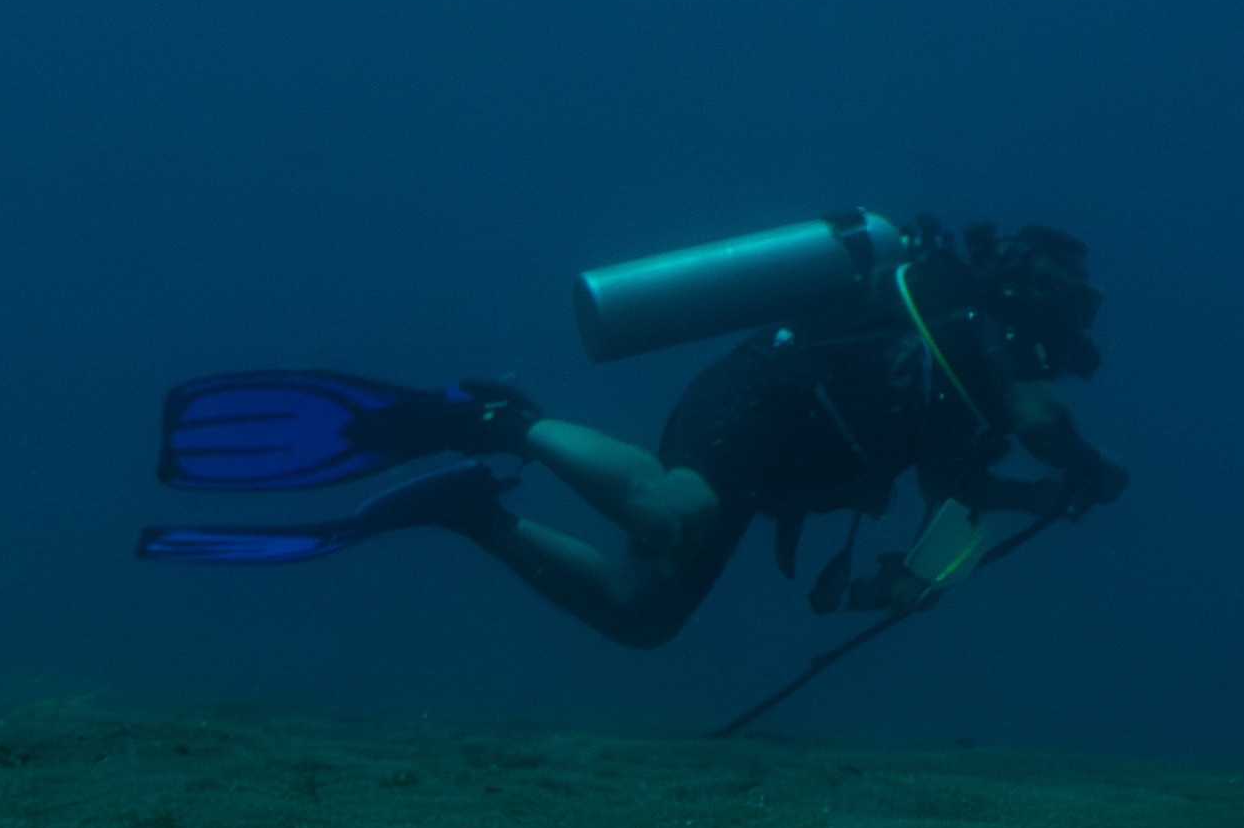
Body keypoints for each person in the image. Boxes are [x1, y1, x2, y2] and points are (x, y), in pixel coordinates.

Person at [141, 220, 1129, 648]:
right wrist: (1080, 464)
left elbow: (962, 488)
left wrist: (1048, 498)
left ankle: (471, 513)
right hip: (766, 402)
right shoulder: (973, 327)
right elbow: (1043, 419)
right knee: (665, 513)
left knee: (642, 617)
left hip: (786, 465)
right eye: (1069, 317)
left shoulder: (971, 394)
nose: (1069, 341)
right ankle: (503, 420)